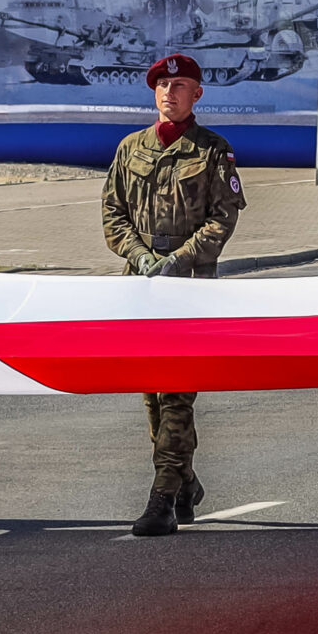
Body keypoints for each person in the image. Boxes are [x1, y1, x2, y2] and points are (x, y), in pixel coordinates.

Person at [101, 53, 245, 535]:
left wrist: (179, 259)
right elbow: (113, 214)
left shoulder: (213, 151)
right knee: (152, 394)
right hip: (141, 286)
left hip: (190, 288)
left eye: (180, 85)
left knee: (177, 389)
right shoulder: (130, 148)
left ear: (197, 94)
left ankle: (162, 496)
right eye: (162, 85)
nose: (169, 93)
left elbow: (222, 219)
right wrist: (140, 256)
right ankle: (185, 481)